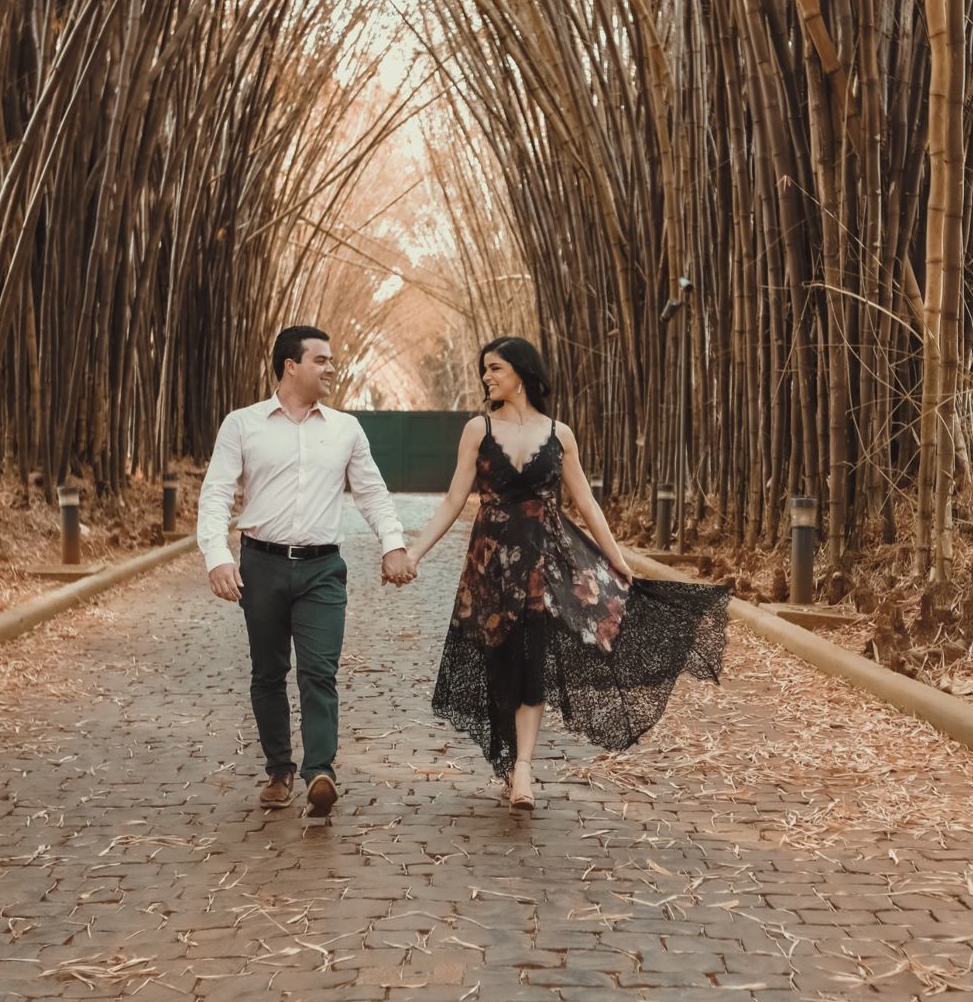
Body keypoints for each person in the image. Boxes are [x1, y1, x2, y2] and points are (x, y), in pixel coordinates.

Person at [404, 336, 728, 808]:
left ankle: (523, 772)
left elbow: (586, 501)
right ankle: (509, 755)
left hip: (544, 560)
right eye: (485, 370)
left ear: (520, 372)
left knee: (533, 659)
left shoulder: (560, 434)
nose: (487, 378)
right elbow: (455, 499)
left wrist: (616, 557)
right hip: (491, 561)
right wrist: (414, 552)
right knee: (498, 663)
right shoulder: (477, 429)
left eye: (494, 369)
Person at [198, 325, 416, 818]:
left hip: (322, 570)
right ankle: (279, 771)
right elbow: (215, 494)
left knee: (319, 670)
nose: (332, 368)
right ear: (290, 366)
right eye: (321, 360)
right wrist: (217, 556)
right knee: (269, 673)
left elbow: (372, 493)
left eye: (332, 360)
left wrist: (394, 544)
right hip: (261, 565)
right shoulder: (242, 424)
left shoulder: (345, 429)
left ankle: (321, 771)